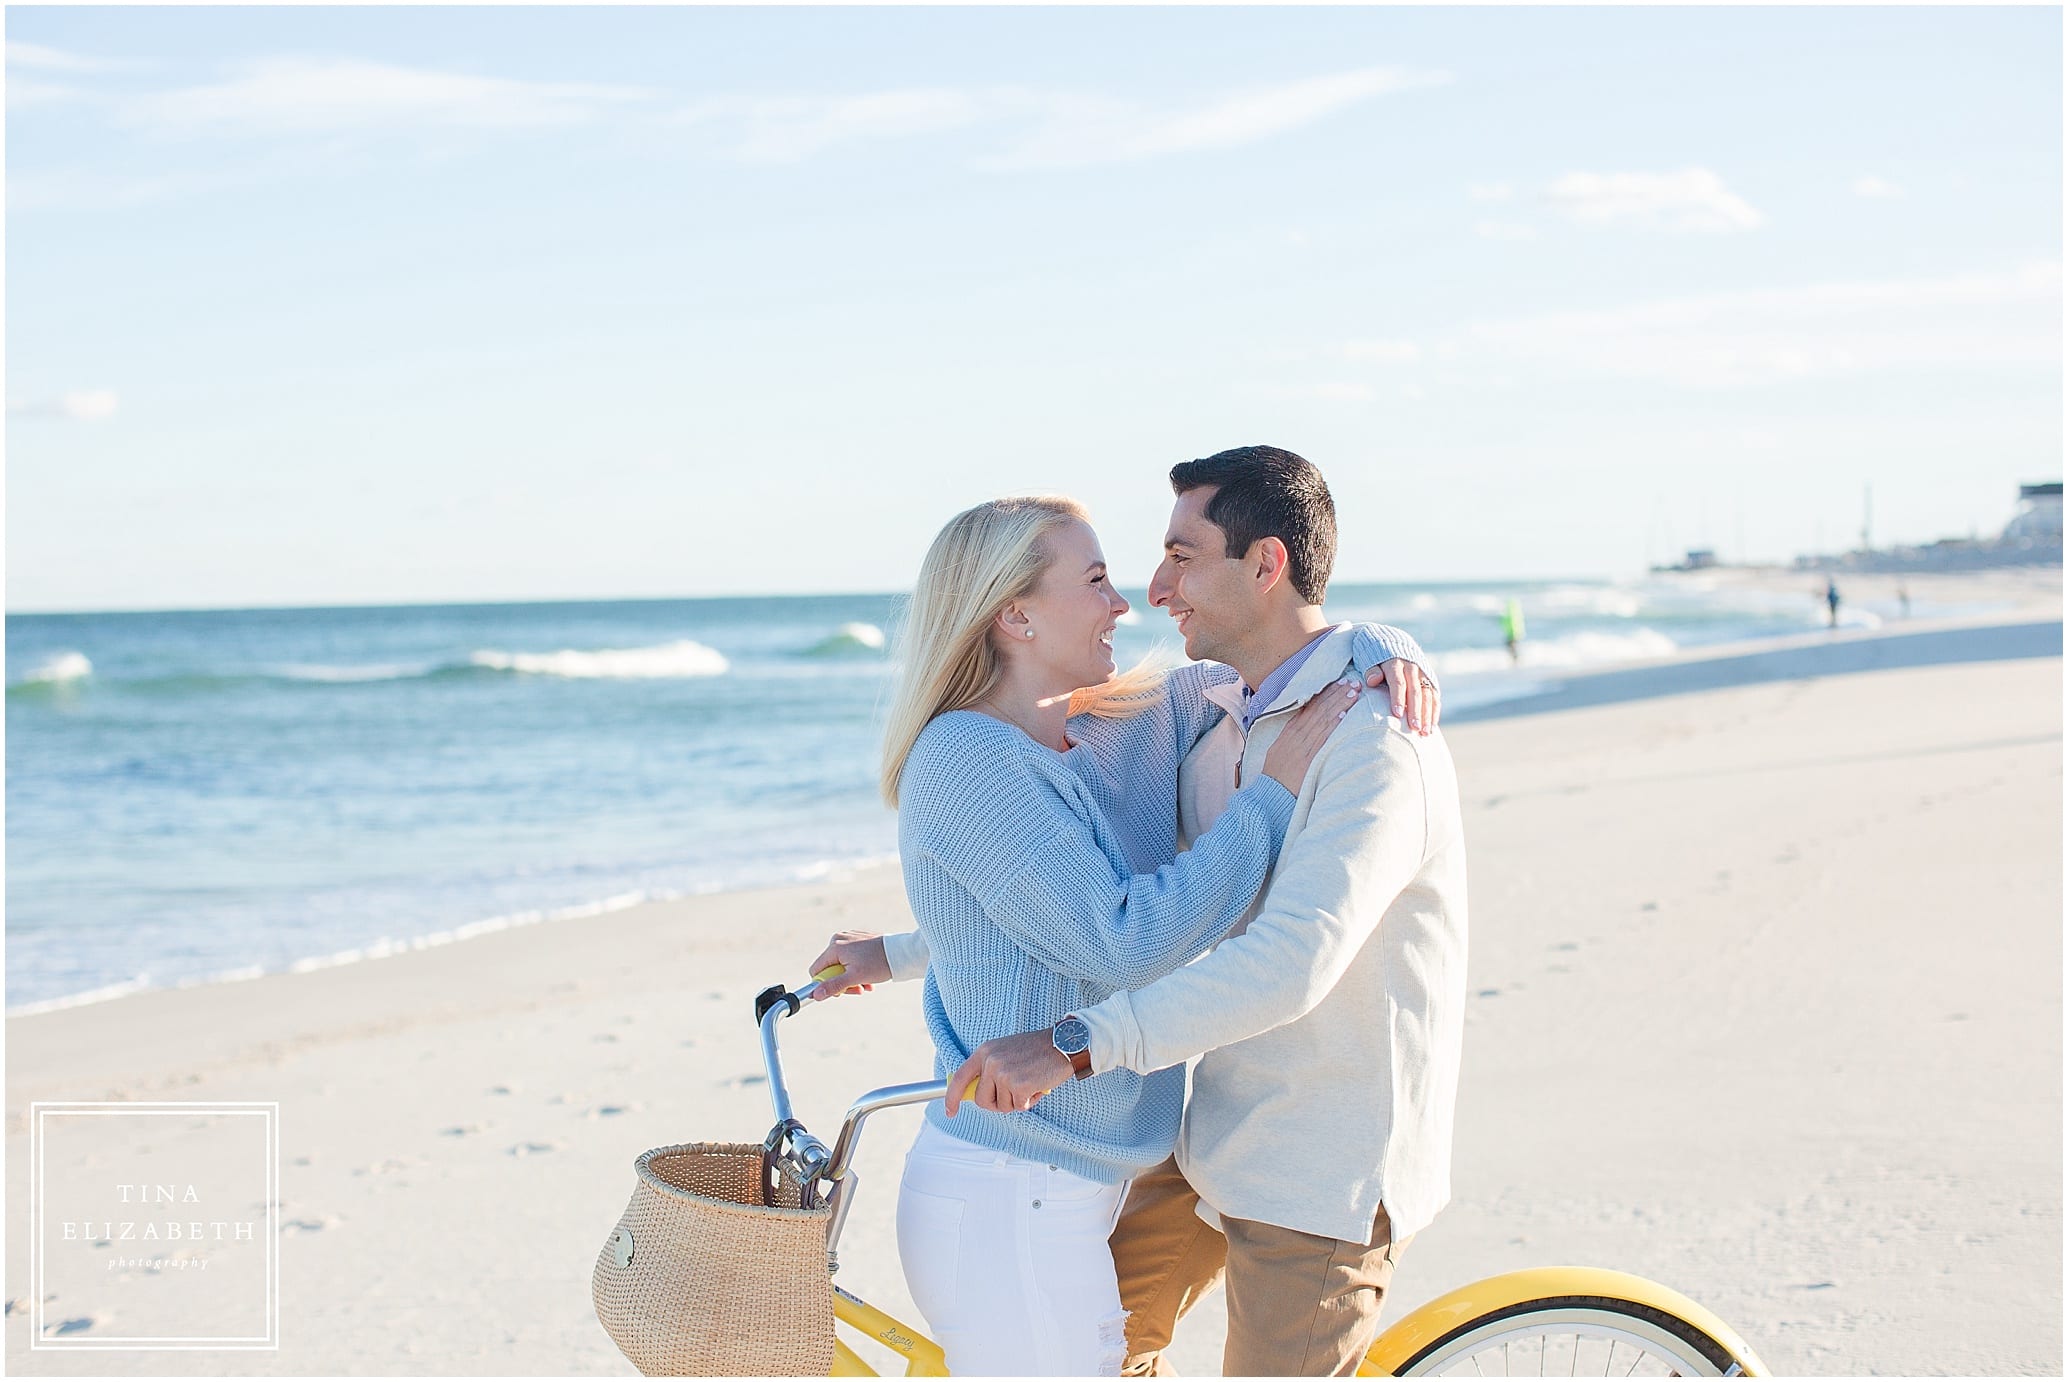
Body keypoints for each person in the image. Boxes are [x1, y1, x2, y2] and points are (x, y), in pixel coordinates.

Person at [843, 492, 1441, 1377]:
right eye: (1095, 581)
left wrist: (1387, 646)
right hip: (1018, 1189)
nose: (1127, 602)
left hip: (1089, 1177)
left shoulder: (1116, 724)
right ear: (1014, 614)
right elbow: (1117, 939)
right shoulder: (966, 761)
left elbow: (1287, 655)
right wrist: (1269, 801)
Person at [1501, 596, 1526, 664]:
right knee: (1513, 647)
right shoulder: (1516, 612)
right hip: (1515, 633)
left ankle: (1515, 661)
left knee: (1512, 647)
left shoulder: (1512, 613)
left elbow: (1510, 623)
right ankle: (1516, 661)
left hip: (1512, 633)